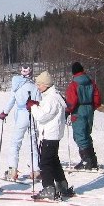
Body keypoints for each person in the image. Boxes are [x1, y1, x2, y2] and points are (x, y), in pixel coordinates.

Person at [26, 71, 74, 199]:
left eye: (39, 84)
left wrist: (33, 107)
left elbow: (42, 116)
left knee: (45, 163)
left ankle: (48, 188)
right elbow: (47, 111)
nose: (37, 87)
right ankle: (61, 185)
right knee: (53, 161)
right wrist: (37, 105)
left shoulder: (51, 98)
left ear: (46, 85)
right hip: (53, 134)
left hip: (49, 135)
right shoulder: (52, 96)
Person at [0, 64, 41, 180]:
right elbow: (39, 101)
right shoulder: (34, 86)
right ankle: (36, 170)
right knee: (33, 143)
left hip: (21, 116)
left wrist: (5, 112)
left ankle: (12, 170)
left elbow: (11, 101)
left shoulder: (16, 86)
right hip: (33, 114)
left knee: (15, 143)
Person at [65, 62, 102, 170]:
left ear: (73, 72)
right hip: (89, 109)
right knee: (87, 134)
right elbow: (97, 99)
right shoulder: (91, 82)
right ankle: (92, 159)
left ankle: (87, 161)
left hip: (78, 110)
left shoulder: (74, 84)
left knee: (80, 136)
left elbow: (71, 101)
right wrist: (91, 108)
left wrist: (67, 111)